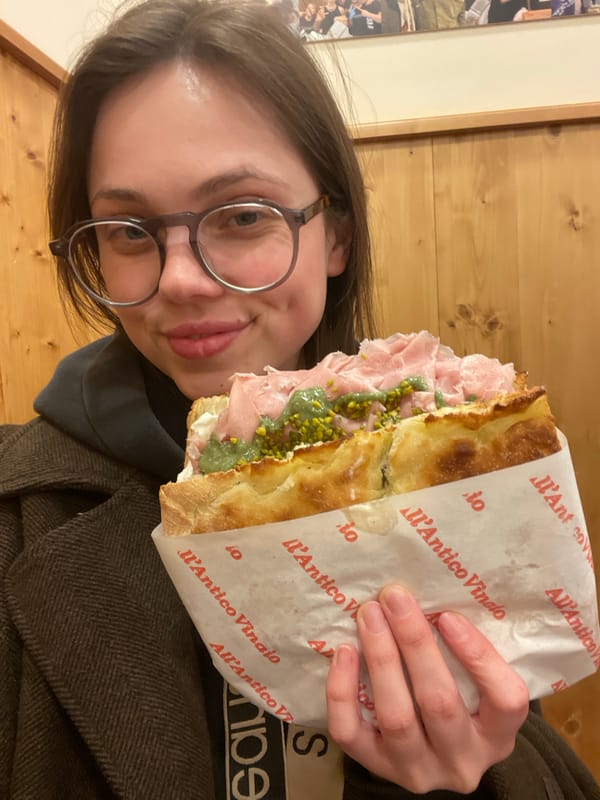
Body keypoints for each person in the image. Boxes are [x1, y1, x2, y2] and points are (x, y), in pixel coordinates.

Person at [1, 1, 599, 798]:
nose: (178, 279)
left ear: (337, 236)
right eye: (128, 230)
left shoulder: (452, 480)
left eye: (243, 215)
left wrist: (461, 780)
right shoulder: (19, 514)